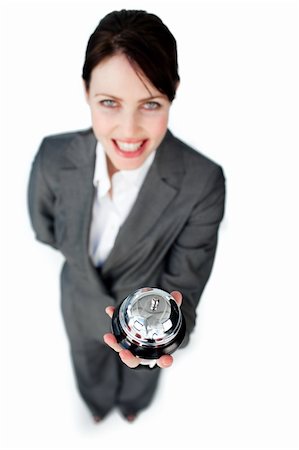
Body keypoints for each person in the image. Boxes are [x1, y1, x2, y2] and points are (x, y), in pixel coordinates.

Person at [28, 9, 226, 423]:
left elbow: (184, 288)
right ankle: (98, 408)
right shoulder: (52, 157)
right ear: (86, 92)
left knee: (140, 380)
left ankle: (133, 408)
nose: (129, 129)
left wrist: (163, 338)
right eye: (109, 103)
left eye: (150, 103)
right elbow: (45, 229)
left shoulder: (202, 182)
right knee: (86, 362)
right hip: (78, 303)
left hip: (149, 326)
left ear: (172, 94)